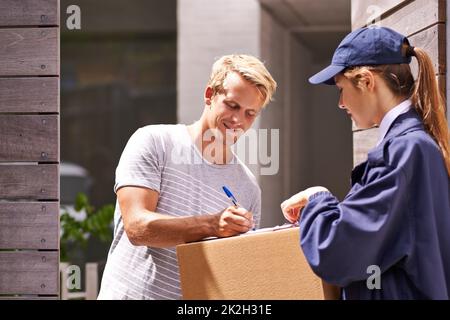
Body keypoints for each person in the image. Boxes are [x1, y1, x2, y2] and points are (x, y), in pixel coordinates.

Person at [281, 27, 450, 299]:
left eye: (341, 89)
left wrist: (317, 199)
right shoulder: (412, 146)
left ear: (367, 82)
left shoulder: (404, 151)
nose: (340, 103)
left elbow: (336, 251)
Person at [97, 54, 277, 299]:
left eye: (250, 113)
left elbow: (236, 272)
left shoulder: (248, 188)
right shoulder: (153, 142)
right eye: (232, 105)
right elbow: (137, 228)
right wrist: (212, 225)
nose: (238, 120)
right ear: (209, 95)